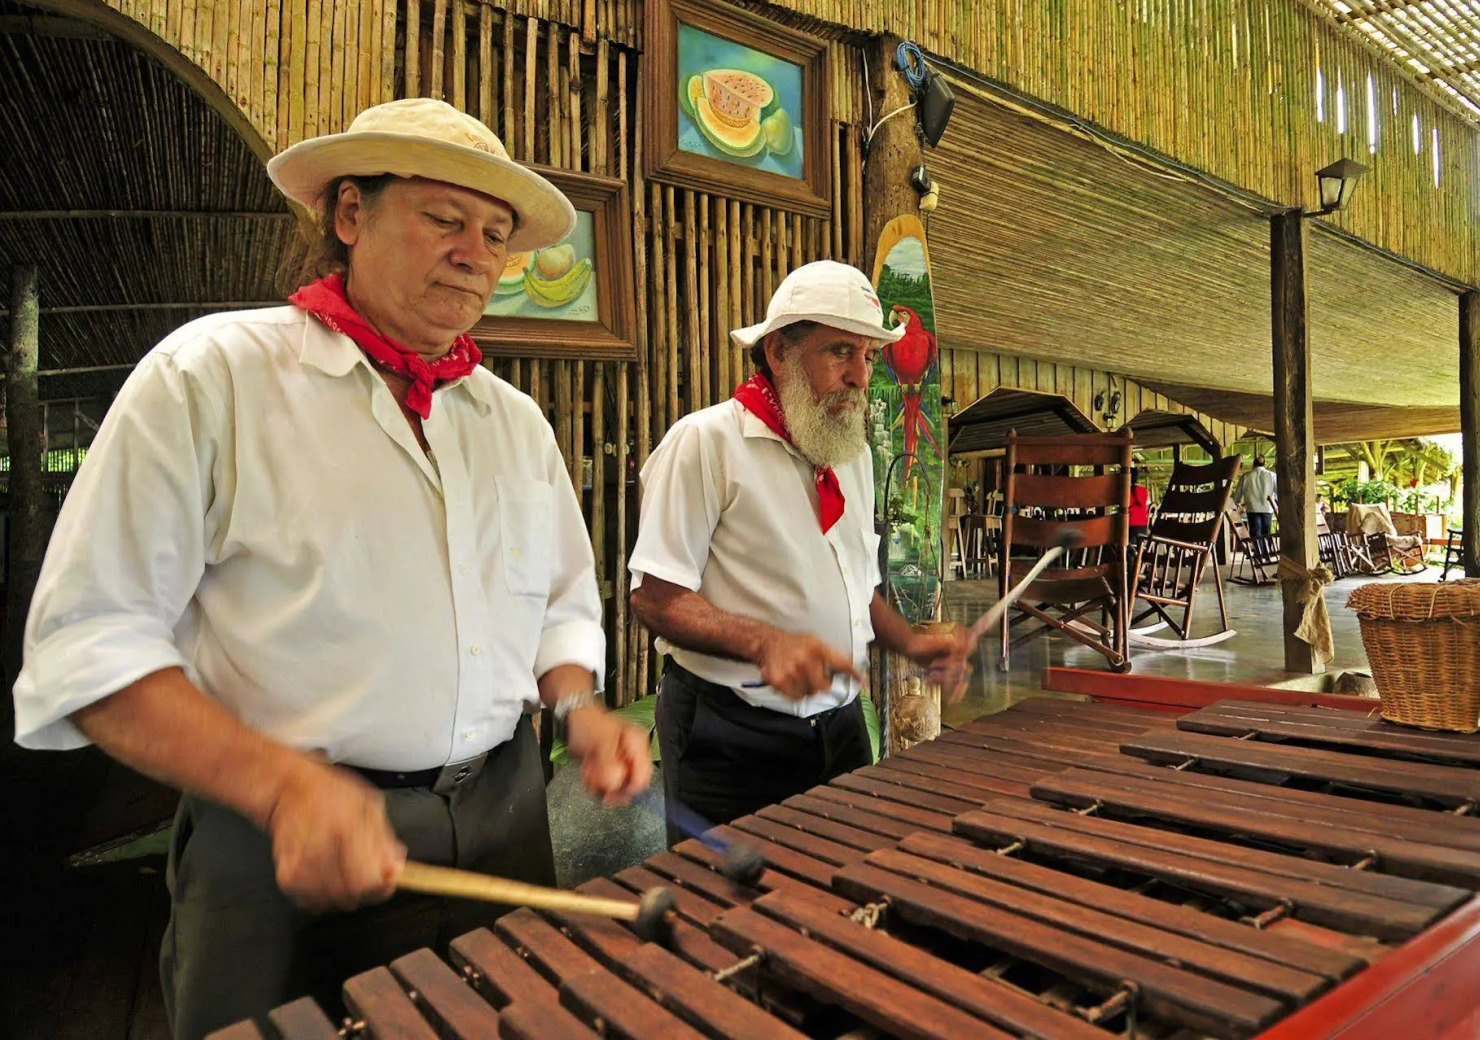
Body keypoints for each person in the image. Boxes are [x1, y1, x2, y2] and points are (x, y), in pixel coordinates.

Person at [10, 98, 652, 1040]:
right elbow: (87, 641)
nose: (476, 252)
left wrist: (580, 706)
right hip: (277, 851)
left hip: (508, 822)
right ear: (350, 215)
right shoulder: (212, 376)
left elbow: (557, 601)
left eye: (495, 233)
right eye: (445, 219)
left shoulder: (513, 423)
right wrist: (282, 785)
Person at [628, 260, 975, 843]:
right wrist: (763, 643)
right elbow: (655, 599)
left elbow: (855, 589)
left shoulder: (854, 453)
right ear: (778, 353)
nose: (861, 376)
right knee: (724, 912)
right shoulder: (705, 443)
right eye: (840, 352)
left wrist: (912, 643)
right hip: (728, 735)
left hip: (840, 732)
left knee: (848, 891)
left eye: (867, 356)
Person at [1238, 455, 1279, 540]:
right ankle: (1266, 552)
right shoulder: (1272, 475)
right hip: (1267, 508)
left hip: (1252, 509)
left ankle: (1258, 551)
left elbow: (1238, 493)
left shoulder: (1246, 476)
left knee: (1255, 534)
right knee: (1266, 533)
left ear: (1254, 464)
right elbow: (1278, 492)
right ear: (1264, 464)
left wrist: (1236, 502)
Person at [1128, 466, 1151, 548]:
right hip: (1142, 526)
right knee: (1140, 550)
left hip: (1128, 525)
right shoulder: (1144, 491)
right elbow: (1147, 509)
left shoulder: (1125, 492)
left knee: (1129, 550)